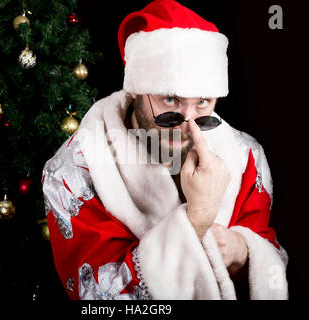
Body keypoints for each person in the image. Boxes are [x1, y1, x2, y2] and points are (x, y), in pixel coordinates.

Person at [42, 0, 288, 300]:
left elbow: (272, 258)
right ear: (134, 87)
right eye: (170, 100)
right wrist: (195, 222)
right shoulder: (74, 171)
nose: (187, 124)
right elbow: (95, 298)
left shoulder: (247, 157)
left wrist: (244, 251)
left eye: (203, 102)